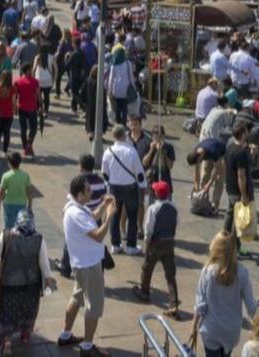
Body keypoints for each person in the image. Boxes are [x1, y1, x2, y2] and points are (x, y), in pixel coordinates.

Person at [58, 175, 118, 357]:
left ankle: (66, 334)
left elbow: (90, 217)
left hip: (81, 264)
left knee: (77, 297)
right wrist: (109, 216)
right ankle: (87, 347)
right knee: (94, 306)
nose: (91, 191)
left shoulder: (73, 206)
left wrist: (102, 206)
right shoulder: (76, 213)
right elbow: (98, 235)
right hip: (89, 265)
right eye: (87, 190)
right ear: (79, 194)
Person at [0, 208, 55, 353]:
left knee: (6, 313)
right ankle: (25, 335)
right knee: (28, 311)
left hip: (9, 283)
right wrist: (48, 280)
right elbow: (44, 264)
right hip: (31, 285)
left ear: (17, 221)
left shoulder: (7, 235)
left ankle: (6, 341)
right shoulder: (39, 238)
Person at [191, 231, 259, 357]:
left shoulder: (208, 271)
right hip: (231, 331)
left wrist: (194, 326)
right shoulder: (242, 272)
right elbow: (251, 306)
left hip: (211, 329)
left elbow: (201, 304)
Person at [134, 181, 180, 314]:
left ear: (156, 194)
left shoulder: (153, 209)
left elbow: (148, 229)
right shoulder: (174, 207)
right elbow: (176, 223)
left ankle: (145, 292)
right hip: (169, 242)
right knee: (170, 274)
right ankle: (174, 303)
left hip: (156, 243)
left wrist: (147, 244)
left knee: (147, 268)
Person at [103, 124, 145, 254]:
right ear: (124, 135)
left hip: (114, 188)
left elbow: (105, 173)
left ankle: (116, 244)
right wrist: (143, 187)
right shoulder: (131, 152)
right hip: (130, 188)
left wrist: (108, 187)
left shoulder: (108, 152)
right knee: (132, 216)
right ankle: (131, 245)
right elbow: (139, 172)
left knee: (114, 217)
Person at [223, 120, 255, 239]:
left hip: (230, 187)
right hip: (238, 190)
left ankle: (224, 238)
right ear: (242, 134)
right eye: (246, 132)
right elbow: (241, 175)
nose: (248, 133)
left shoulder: (230, 146)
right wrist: (244, 194)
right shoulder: (241, 153)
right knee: (239, 219)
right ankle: (235, 245)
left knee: (230, 214)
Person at [0, 151, 33, 229]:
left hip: (8, 204)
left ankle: (9, 240)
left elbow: (1, 192)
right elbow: (29, 192)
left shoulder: (6, 176)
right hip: (22, 204)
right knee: (21, 226)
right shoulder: (25, 175)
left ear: (9, 163)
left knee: (9, 225)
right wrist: (30, 205)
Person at [13, 64, 41, 156]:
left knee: (23, 129)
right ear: (28, 70)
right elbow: (38, 95)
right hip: (32, 107)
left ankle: (25, 148)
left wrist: (15, 108)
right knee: (34, 127)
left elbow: (15, 96)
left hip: (22, 107)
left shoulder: (17, 81)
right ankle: (29, 143)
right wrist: (41, 106)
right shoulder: (35, 81)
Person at [0, 72, 15, 157]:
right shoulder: (12, 88)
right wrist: (15, 109)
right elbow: (13, 102)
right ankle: (5, 150)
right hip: (9, 113)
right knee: (7, 132)